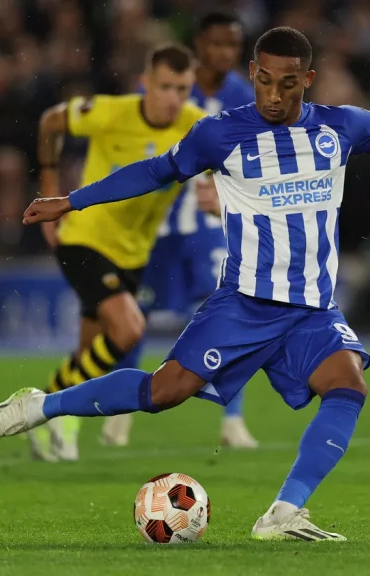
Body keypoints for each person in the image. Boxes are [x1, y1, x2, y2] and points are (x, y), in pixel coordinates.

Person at [0, 27, 370, 540]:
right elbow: (155, 171)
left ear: (308, 80)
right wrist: (72, 200)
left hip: (311, 311)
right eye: (264, 81)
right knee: (163, 393)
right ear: (252, 75)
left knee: (349, 385)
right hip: (243, 305)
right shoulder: (221, 135)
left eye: (287, 83)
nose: (273, 94)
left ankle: (283, 513)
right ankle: (41, 407)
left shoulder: (341, 128)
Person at [29, 45, 207, 462]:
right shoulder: (110, 112)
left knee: (89, 353)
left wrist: (215, 188)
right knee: (128, 329)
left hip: (133, 254)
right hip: (84, 236)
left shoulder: (196, 126)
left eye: (182, 88)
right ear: (145, 82)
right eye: (164, 86)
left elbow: (227, 161)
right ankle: (52, 412)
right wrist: (51, 183)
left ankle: (43, 413)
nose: (173, 97)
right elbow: (52, 120)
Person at [115, 12, 259, 449]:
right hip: (156, 222)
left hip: (208, 225)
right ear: (199, 45)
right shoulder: (170, 85)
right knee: (133, 321)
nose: (224, 54)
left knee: (230, 313)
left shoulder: (242, 94)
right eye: (216, 45)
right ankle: (122, 414)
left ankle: (232, 419)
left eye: (232, 46)